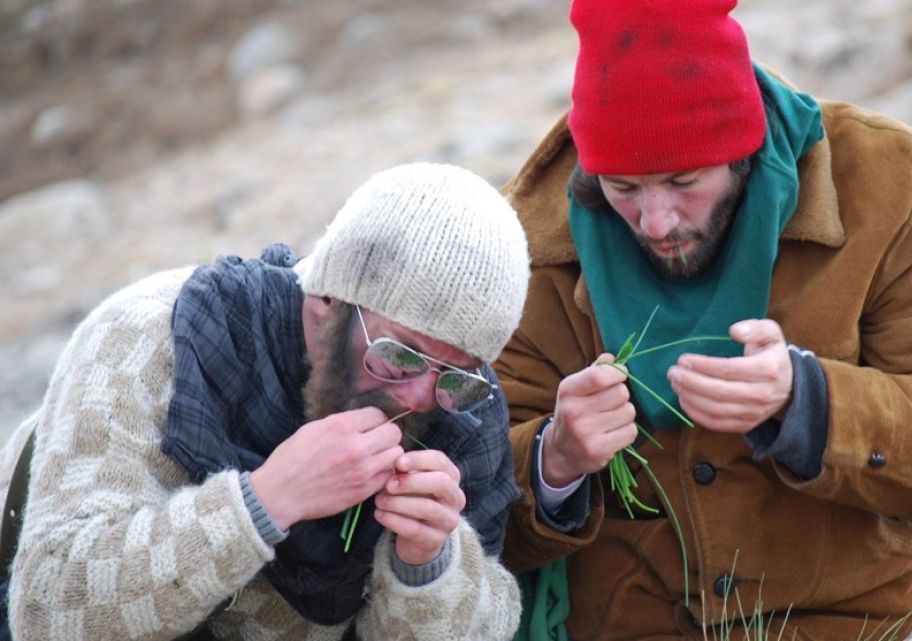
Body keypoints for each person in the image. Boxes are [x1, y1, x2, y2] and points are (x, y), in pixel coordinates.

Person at [494, 0, 912, 639]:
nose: (656, 221)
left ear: (741, 151)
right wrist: (555, 459)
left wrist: (809, 402)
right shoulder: (520, 241)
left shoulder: (893, 185)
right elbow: (467, 508)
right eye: (623, 189)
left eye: (684, 180)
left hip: (842, 624)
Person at [0, 162, 530, 641]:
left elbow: (486, 623)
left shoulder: (467, 409)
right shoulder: (152, 338)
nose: (418, 396)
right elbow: (48, 609)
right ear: (327, 302)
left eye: (455, 372)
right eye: (398, 355)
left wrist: (427, 564)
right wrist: (265, 500)